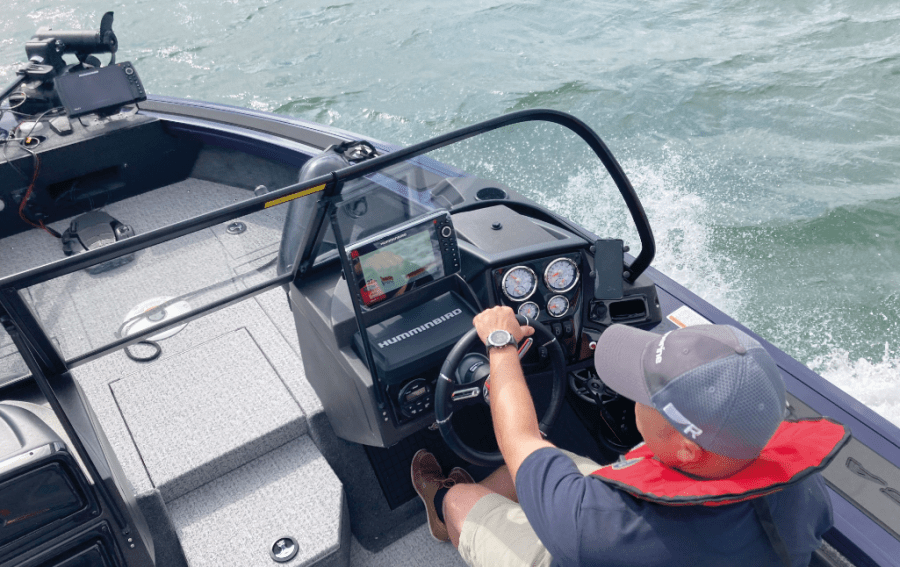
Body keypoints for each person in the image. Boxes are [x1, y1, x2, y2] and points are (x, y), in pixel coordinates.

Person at [411, 306, 849, 567]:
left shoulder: (599, 523)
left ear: (686, 446)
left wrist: (501, 344)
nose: (631, 394)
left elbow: (521, 439)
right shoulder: (804, 489)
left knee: (463, 501)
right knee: (543, 461)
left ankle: (439, 504)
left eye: (645, 394)